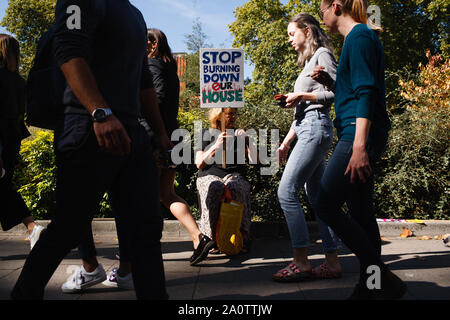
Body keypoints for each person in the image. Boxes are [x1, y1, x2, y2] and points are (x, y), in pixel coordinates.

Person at [11, 0, 171, 300]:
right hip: (88, 126)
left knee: (146, 229)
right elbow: (69, 51)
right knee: (68, 226)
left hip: (131, 131)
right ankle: (24, 294)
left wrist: (160, 132)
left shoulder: (134, 13)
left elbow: (143, 79)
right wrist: (101, 112)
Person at [312, 0, 406, 299]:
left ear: (336, 7)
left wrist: (359, 147)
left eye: (322, 9)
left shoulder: (361, 37)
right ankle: (373, 286)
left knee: (325, 204)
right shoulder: (359, 38)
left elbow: (367, 93)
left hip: (357, 134)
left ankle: (380, 274)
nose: (321, 15)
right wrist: (330, 81)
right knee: (361, 212)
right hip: (357, 131)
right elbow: (356, 88)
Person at [271, 14, 342, 283]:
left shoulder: (323, 54)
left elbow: (337, 92)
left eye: (292, 33)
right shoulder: (308, 63)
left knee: (286, 192)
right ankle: (332, 262)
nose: (289, 39)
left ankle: (301, 261)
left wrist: (302, 95)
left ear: (307, 31)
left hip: (316, 128)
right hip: (307, 129)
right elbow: (303, 113)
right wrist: (287, 142)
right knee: (318, 198)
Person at [0, 34, 45, 250]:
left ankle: (32, 226)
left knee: (3, 188)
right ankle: (32, 226)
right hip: (11, 139)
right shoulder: (18, 81)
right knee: (3, 186)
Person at [195, 108, 253, 258]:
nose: (232, 117)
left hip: (234, 175)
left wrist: (248, 142)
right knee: (215, 187)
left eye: (234, 113)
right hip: (209, 175)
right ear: (218, 116)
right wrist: (216, 146)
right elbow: (199, 163)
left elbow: (255, 161)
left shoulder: (240, 134)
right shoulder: (206, 134)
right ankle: (210, 239)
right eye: (228, 113)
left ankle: (241, 237)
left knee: (236, 186)